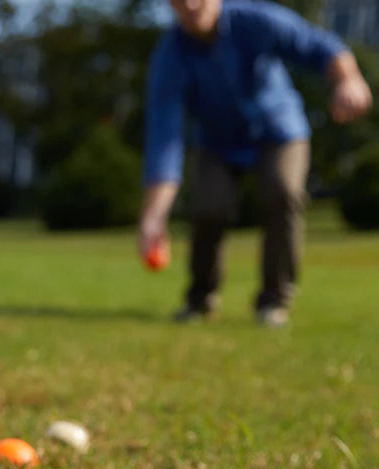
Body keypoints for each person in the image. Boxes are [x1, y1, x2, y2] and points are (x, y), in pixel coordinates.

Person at [138, 0, 372, 326]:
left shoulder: (257, 21)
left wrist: (348, 78)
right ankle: (200, 299)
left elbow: (320, 45)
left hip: (279, 130)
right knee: (209, 207)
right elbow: (164, 138)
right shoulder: (170, 56)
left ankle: (274, 301)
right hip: (217, 142)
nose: (190, 4)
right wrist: (153, 217)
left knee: (283, 192)